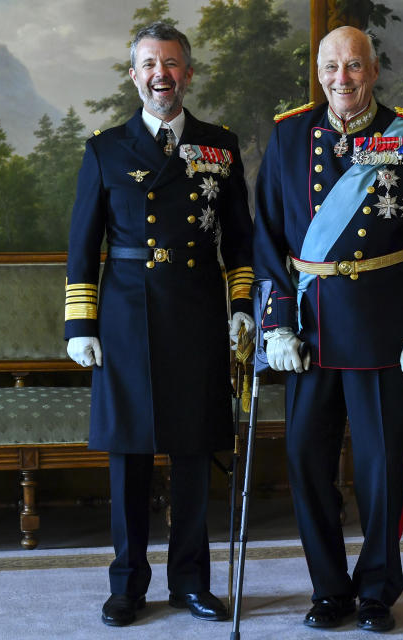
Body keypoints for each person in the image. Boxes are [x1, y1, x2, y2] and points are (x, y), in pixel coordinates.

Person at [253, 25, 403, 633]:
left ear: (373, 70)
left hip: (383, 331)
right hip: (310, 334)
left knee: (381, 468)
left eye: (353, 66)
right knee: (304, 461)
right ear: (317, 72)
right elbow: (267, 242)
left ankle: (376, 590)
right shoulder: (289, 135)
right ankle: (328, 589)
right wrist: (276, 326)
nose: (340, 79)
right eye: (330, 68)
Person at [63, 21, 254, 628]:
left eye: (171, 64)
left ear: (188, 73)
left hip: (197, 312)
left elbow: (241, 240)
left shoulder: (219, 146)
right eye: (149, 64)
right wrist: (80, 325)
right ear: (133, 75)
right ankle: (128, 586)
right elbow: (82, 244)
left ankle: (191, 583)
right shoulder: (106, 149)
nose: (160, 75)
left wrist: (242, 306)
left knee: (194, 453)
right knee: (130, 456)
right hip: (124, 316)